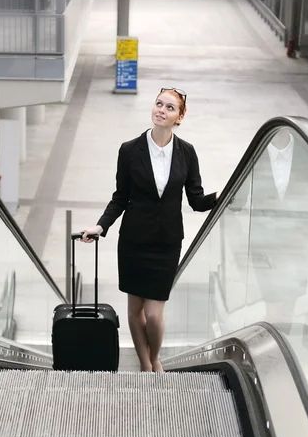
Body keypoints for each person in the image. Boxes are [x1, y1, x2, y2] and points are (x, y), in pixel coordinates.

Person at [82, 88, 217, 372]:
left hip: (166, 243)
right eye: (159, 104)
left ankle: (154, 358)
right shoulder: (130, 150)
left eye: (170, 107)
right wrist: (100, 225)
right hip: (133, 241)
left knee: (154, 315)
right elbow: (120, 197)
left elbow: (196, 200)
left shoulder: (187, 153)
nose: (161, 110)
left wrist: (221, 197)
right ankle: (146, 364)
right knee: (135, 311)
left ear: (179, 117)